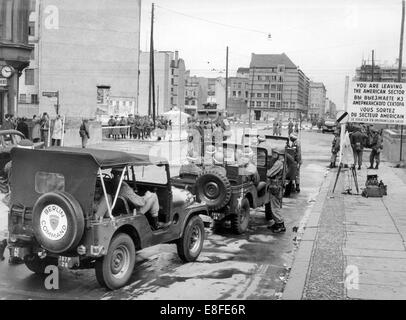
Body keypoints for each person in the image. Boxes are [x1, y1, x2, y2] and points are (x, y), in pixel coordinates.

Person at [266, 148, 286, 233]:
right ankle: (277, 223)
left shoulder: (278, 163)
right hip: (278, 186)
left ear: (279, 154)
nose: (274, 155)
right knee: (275, 205)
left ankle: (280, 225)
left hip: (275, 186)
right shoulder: (283, 162)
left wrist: (267, 172)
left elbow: (269, 174)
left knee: (275, 206)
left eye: (275, 153)